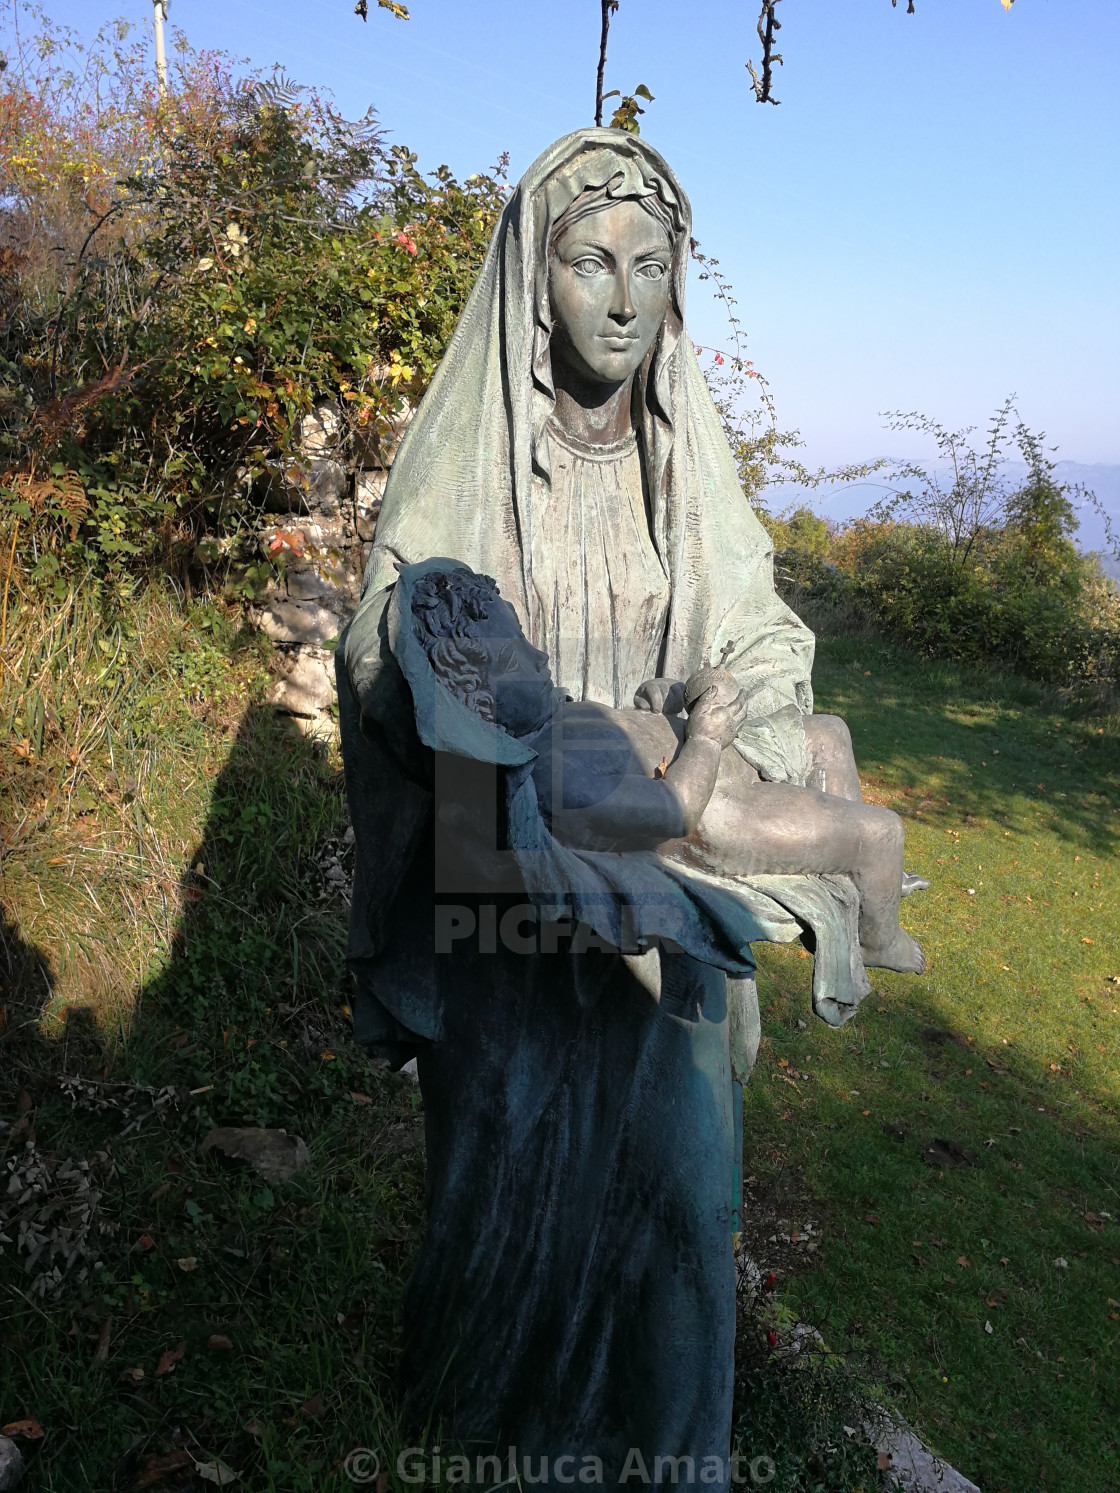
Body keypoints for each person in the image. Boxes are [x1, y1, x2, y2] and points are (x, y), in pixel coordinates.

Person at [336, 129, 922, 1488]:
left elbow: (760, 633)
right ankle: (483, 1430)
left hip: (660, 881)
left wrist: (737, 709)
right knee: (504, 1179)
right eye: (593, 260)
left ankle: (669, 1456)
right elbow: (387, 631)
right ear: (534, 278)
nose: (624, 295)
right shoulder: (476, 457)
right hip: (506, 874)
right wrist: (444, 695)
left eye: (652, 266)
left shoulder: (681, 461)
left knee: (684, 1185)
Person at [408, 563, 924, 975]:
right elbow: (672, 811)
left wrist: (662, 704)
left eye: (525, 639)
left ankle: (868, 885)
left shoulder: (556, 717)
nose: (541, 657)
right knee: (882, 832)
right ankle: (880, 939)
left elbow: (627, 730)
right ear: (479, 697)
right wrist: (704, 737)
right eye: (518, 657)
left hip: (715, 759)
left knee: (830, 731)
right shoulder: (553, 776)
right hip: (719, 812)